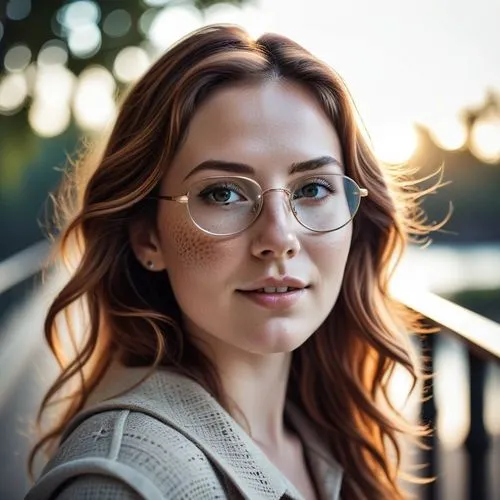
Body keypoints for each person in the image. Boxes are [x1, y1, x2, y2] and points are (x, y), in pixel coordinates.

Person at [26, 24, 436, 500]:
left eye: (313, 188)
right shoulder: (123, 483)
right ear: (146, 236)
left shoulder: (326, 431)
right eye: (223, 193)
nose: (280, 238)